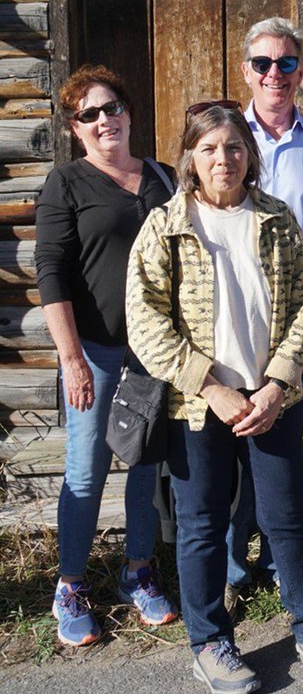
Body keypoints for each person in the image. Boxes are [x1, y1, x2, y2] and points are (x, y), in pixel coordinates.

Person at [126, 105, 303, 690]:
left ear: (250, 155)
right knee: (200, 524)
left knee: (285, 515)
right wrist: (211, 386)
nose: (225, 159)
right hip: (198, 405)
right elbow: (145, 322)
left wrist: (278, 382)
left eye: (236, 147)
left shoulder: (275, 217)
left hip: (271, 398)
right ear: (191, 158)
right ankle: (211, 642)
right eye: (211, 148)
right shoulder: (166, 225)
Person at [35, 65, 178, 647]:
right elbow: (50, 273)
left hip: (150, 351)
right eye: (89, 113)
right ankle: (69, 586)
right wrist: (70, 358)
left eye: (111, 107)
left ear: (128, 112)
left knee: (143, 467)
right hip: (92, 350)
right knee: (87, 471)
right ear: (75, 127)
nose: (104, 120)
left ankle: (137, 573)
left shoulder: (163, 178)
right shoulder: (66, 184)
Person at [224, 16, 303, 613]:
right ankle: (229, 560)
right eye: (262, 64)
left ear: (302, 72)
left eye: (286, 64)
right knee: (229, 434)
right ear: (245, 70)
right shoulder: (224, 138)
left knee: (283, 432)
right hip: (230, 308)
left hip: (301, 308)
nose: (274, 74)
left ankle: (279, 557)